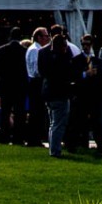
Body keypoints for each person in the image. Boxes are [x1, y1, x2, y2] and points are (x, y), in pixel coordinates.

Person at [38, 25, 77, 157]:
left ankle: (53, 147)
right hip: (60, 92)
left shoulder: (42, 52)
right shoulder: (64, 54)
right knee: (59, 123)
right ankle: (55, 150)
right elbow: (69, 71)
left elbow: (41, 71)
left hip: (48, 90)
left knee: (52, 122)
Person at [0, 29, 28, 147]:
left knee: (5, 112)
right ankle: (18, 137)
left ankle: (4, 136)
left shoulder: (2, 50)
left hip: (6, 85)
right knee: (19, 113)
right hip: (19, 85)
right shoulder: (24, 51)